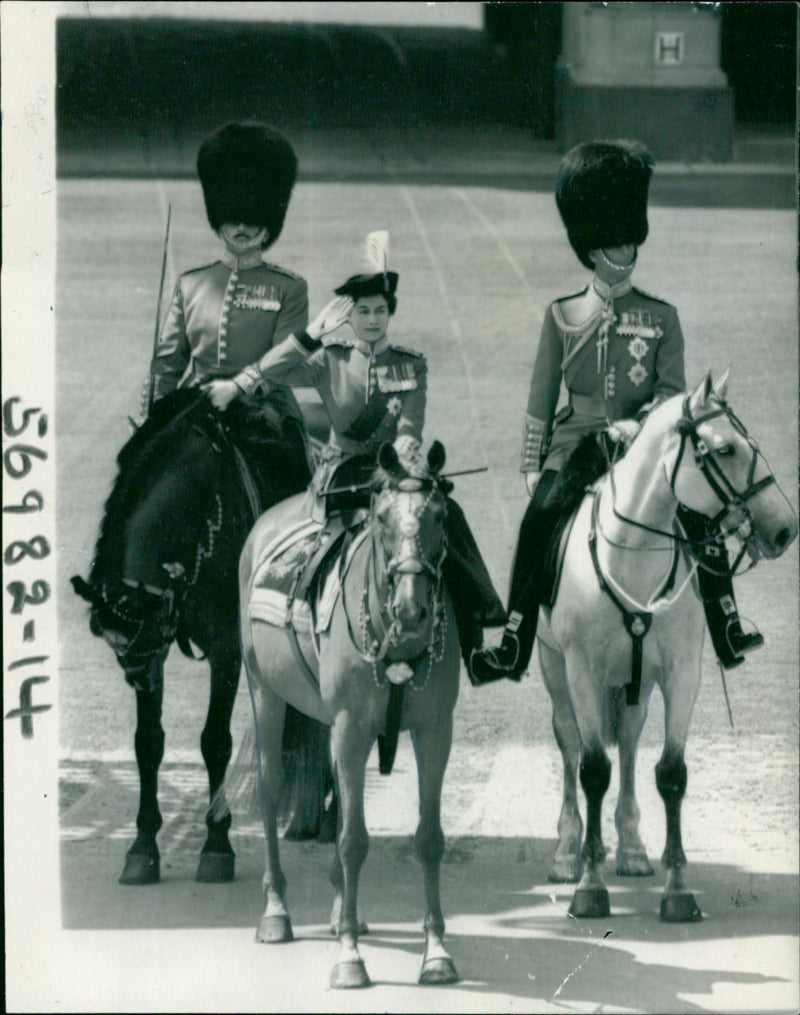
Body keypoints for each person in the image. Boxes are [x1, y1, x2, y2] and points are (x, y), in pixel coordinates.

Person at [469, 140, 763, 685]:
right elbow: (541, 398)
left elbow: (672, 391)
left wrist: (642, 425)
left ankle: (727, 625)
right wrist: (533, 465)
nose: (625, 248)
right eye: (613, 241)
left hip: (643, 446)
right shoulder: (562, 315)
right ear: (591, 247)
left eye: (630, 238)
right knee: (539, 524)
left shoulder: (661, 316)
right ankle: (514, 640)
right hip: (574, 444)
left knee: (700, 516)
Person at [205, 234, 507, 673]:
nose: (371, 320)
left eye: (379, 311)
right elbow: (276, 371)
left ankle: (475, 639)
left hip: (393, 469)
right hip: (342, 472)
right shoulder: (329, 359)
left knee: (446, 517)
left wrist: (406, 452)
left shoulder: (411, 364)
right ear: (349, 316)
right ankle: (300, 625)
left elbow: (410, 427)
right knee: (318, 543)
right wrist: (311, 335)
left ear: (390, 314)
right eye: (362, 311)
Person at [142, 120, 312, 454]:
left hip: (264, 411)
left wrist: (236, 389)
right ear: (219, 219)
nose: (242, 227)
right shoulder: (191, 284)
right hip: (196, 407)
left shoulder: (289, 288)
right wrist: (156, 413)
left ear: (268, 225)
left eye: (253, 219)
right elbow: (167, 363)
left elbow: (282, 362)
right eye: (233, 218)